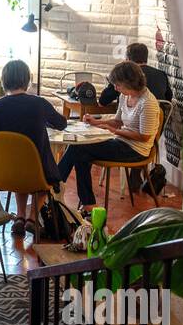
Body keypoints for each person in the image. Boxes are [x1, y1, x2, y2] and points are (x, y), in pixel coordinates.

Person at [59, 60, 161, 216]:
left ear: (129, 82)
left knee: (79, 148)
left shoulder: (148, 103)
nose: (115, 88)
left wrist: (114, 131)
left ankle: (55, 185)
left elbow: (144, 137)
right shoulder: (124, 96)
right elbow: (118, 121)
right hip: (121, 142)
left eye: (118, 84)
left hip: (136, 150)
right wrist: (97, 122)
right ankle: (85, 203)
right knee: (80, 149)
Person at [0, 59, 67, 235]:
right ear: (27, 80)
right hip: (37, 173)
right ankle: (32, 217)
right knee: (45, 178)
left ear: (3, 80)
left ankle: (20, 217)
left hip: (5, 172)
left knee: (19, 170)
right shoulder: (39, 103)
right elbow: (61, 124)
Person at [99, 42, 172, 106]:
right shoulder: (161, 74)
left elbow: (103, 101)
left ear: (127, 59)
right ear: (146, 57)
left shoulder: (123, 74)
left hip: (131, 118)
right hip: (160, 119)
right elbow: (168, 99)